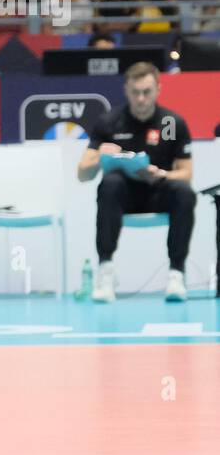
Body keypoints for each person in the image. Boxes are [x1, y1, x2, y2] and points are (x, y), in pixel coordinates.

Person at [76, 62, 194, 302]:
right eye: (135, 92)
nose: (141, 99)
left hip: (158, 193)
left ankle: (176, 274)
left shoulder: (171, 124)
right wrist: (100, 156)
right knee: (110, 183)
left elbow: (186, 173)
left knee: (184, 191)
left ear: (158, 90)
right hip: (123, 198)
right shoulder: (109, 122)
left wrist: (162, 174)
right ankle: (106, 271)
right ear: (126, 91)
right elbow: (82, 174)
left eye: (147, 92)